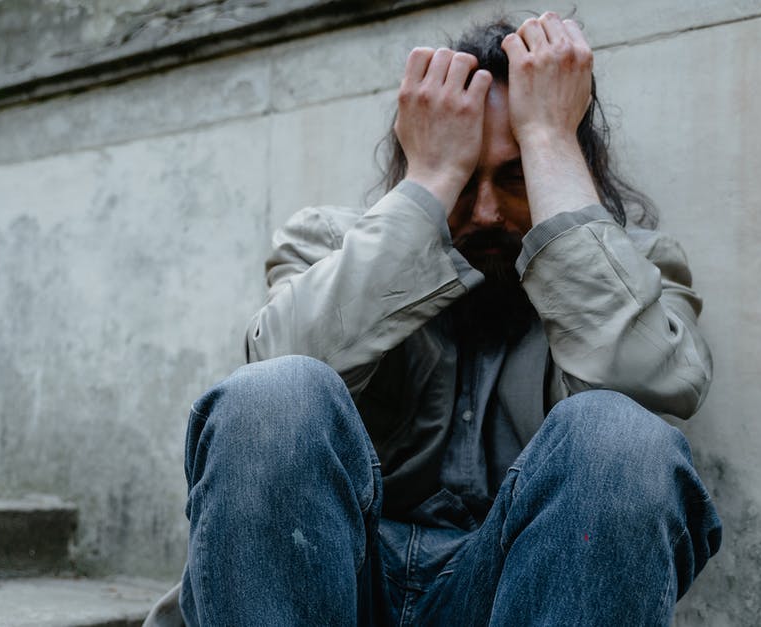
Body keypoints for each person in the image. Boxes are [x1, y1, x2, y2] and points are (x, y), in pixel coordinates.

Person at [146, 11, 721, 627]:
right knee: (273, 394)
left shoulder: (636, 265)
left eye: (517, 175)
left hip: (508, 594)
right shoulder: (329, 244)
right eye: (462, 180)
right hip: (329, 586)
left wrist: (551, 138)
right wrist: (430, 179)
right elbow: (271, 387)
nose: (484, 211)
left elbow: (646, 385)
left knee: (620, 435)